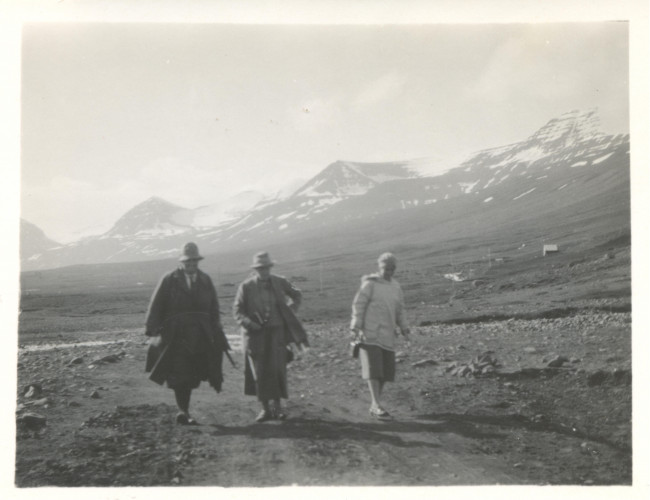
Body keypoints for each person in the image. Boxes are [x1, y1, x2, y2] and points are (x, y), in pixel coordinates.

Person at [144, 242, 230, 425]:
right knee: (179, 373)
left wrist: (217, 328)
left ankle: (185, 408)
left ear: (198, 261)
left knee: (194, 373)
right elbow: (156, 303)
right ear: (182, 262)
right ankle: (183, 411)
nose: (191, 264)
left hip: (200, 334)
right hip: (176, 334)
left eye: (194, 261)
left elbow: (214, 306)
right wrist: (152, 328)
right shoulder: (169, 279)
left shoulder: (205, 280)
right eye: (188, 261)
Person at [233, 251, 309, 422]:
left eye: (266, 267)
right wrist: (250, 323)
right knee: (259, 373)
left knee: (277, 371)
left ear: (270, 267)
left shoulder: (279, 282)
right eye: (260, 268)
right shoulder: (246, 286)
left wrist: (289, 311)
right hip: (255, 336)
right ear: (255, 269)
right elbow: (237, 311)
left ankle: (278, 408)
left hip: (277, 334)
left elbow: (297, 294)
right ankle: (265, 410)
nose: (264, 271)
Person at [350, 252, 410, 420]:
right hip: (369, 333)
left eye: (391, 269)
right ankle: (376, 404)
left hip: (388, 334)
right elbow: (359, 304)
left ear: (395, 269)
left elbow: (400, 309)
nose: (388, 272)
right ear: (379, 267)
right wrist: (355, 326)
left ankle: (374, 403)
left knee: (385, 372)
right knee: (374, 369)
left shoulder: (395, 287)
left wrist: (404, 327)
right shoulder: (370, 284)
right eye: (385, 268)